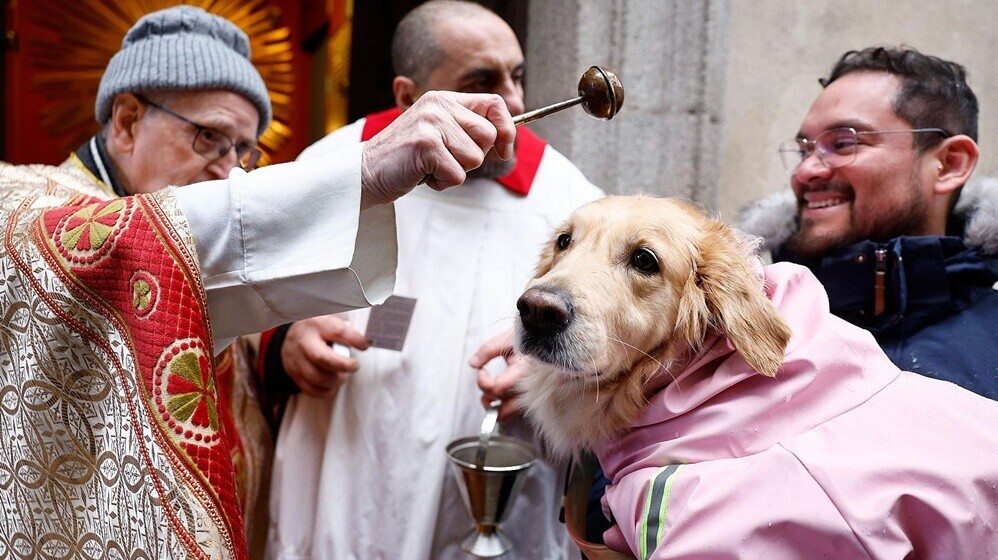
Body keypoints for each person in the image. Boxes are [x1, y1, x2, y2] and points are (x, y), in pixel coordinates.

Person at [0, 5, 514, 560]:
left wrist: (282, 347)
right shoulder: (23, 205)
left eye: (244, 151)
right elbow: (115, 249)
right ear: (126, 120)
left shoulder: (197, 252)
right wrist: (359, 172)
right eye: (210, 138)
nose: (230, 171)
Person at [263, 2, 603, 559]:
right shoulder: (331, 169)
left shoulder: (569, 202)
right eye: (482, 82)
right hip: (348, 483)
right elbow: (244, 305)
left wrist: (552, 376)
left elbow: (617, 360)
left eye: (517, 77)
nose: (514, 104)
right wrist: (284, 343)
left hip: (493, 504)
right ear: (407, 97)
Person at [739, 46, 998, 400]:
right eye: (805, 150)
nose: (805, 171)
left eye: (844, 143)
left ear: (950, 164)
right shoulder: (749, 328)